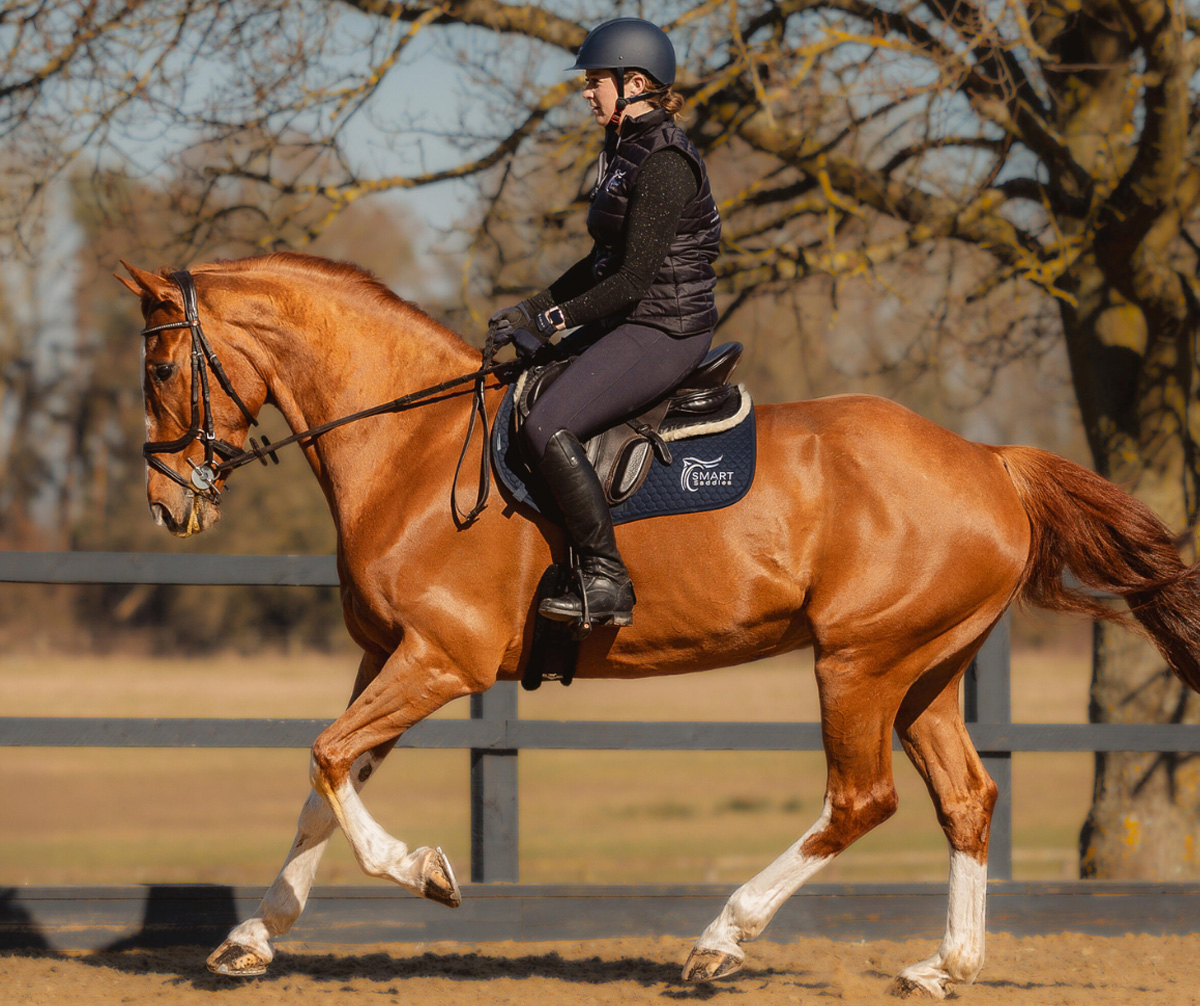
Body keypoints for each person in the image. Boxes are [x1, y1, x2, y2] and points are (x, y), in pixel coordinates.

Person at [489, 17, 721, 628]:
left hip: (666, 326)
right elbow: (601, 262)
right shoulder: (623, 151)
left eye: (597, 81)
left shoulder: (665, 161)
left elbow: (632, 282)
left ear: (636, 82)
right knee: (524, 384)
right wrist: (532, 309)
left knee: (549, 424)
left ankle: (605, 578)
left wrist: (556, 318)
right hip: (636, 315)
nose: (588, 93)